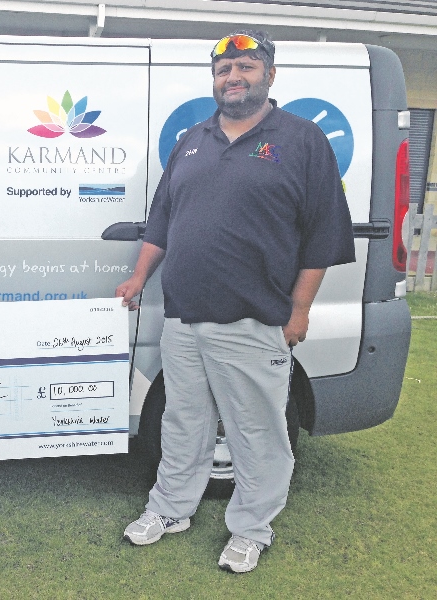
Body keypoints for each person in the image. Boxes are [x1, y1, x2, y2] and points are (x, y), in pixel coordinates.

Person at [117, 30, 355, 573]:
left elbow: (322, 234)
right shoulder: (194, 139)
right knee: (183, 420)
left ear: (270, 75)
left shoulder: (301, 140)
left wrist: (299, 311)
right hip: (184, 315)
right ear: (215, 80)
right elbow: (163, 220)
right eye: (224, 70)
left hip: (253, 317)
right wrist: (138, 276)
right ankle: (171, 508)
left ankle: (251, 528)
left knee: (257, 430)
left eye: (246, 67)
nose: (234, 77)